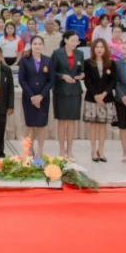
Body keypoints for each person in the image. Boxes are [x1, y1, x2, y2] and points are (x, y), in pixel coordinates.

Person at [51, 31, 84, 159]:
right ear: (65, 40)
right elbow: (52, 72)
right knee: (62, 121)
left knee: (71, 122)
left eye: (77, 41)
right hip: (61, 92)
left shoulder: (80, 54)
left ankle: (70, 150)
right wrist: (62, 76)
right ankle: (61, 150)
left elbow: (82, 71)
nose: (75, 43)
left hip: (75, 91)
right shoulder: (57, 53)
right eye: (73, 40)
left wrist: (81, 75)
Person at [18, 35, 53, 157]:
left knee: (42, 125)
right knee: (31, 125)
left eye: (40, 44)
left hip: (44, 98)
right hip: (29, 98)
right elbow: (22, 80)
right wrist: (32, 97)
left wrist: (41, 96)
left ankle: (40, 151)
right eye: (35, 44)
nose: (37, 46)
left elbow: (51, 81)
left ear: (43, 46)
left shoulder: (48, 60)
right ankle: (29, 149)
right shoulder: (25, 60)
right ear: (31, 45)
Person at [83, 39, 118, 162]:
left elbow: (113, 81)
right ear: (93, 49)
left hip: (106, 98)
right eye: (97, 47)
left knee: (103, 126)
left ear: (105, 49)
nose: (99, 49)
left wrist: (104, 94)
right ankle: (93, 151)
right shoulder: (87, 63)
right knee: (93, 126)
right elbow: (87, 81)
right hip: (92, 98)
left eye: (102, 47)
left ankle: (101, 151)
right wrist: (96, 95)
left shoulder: (111, 63)